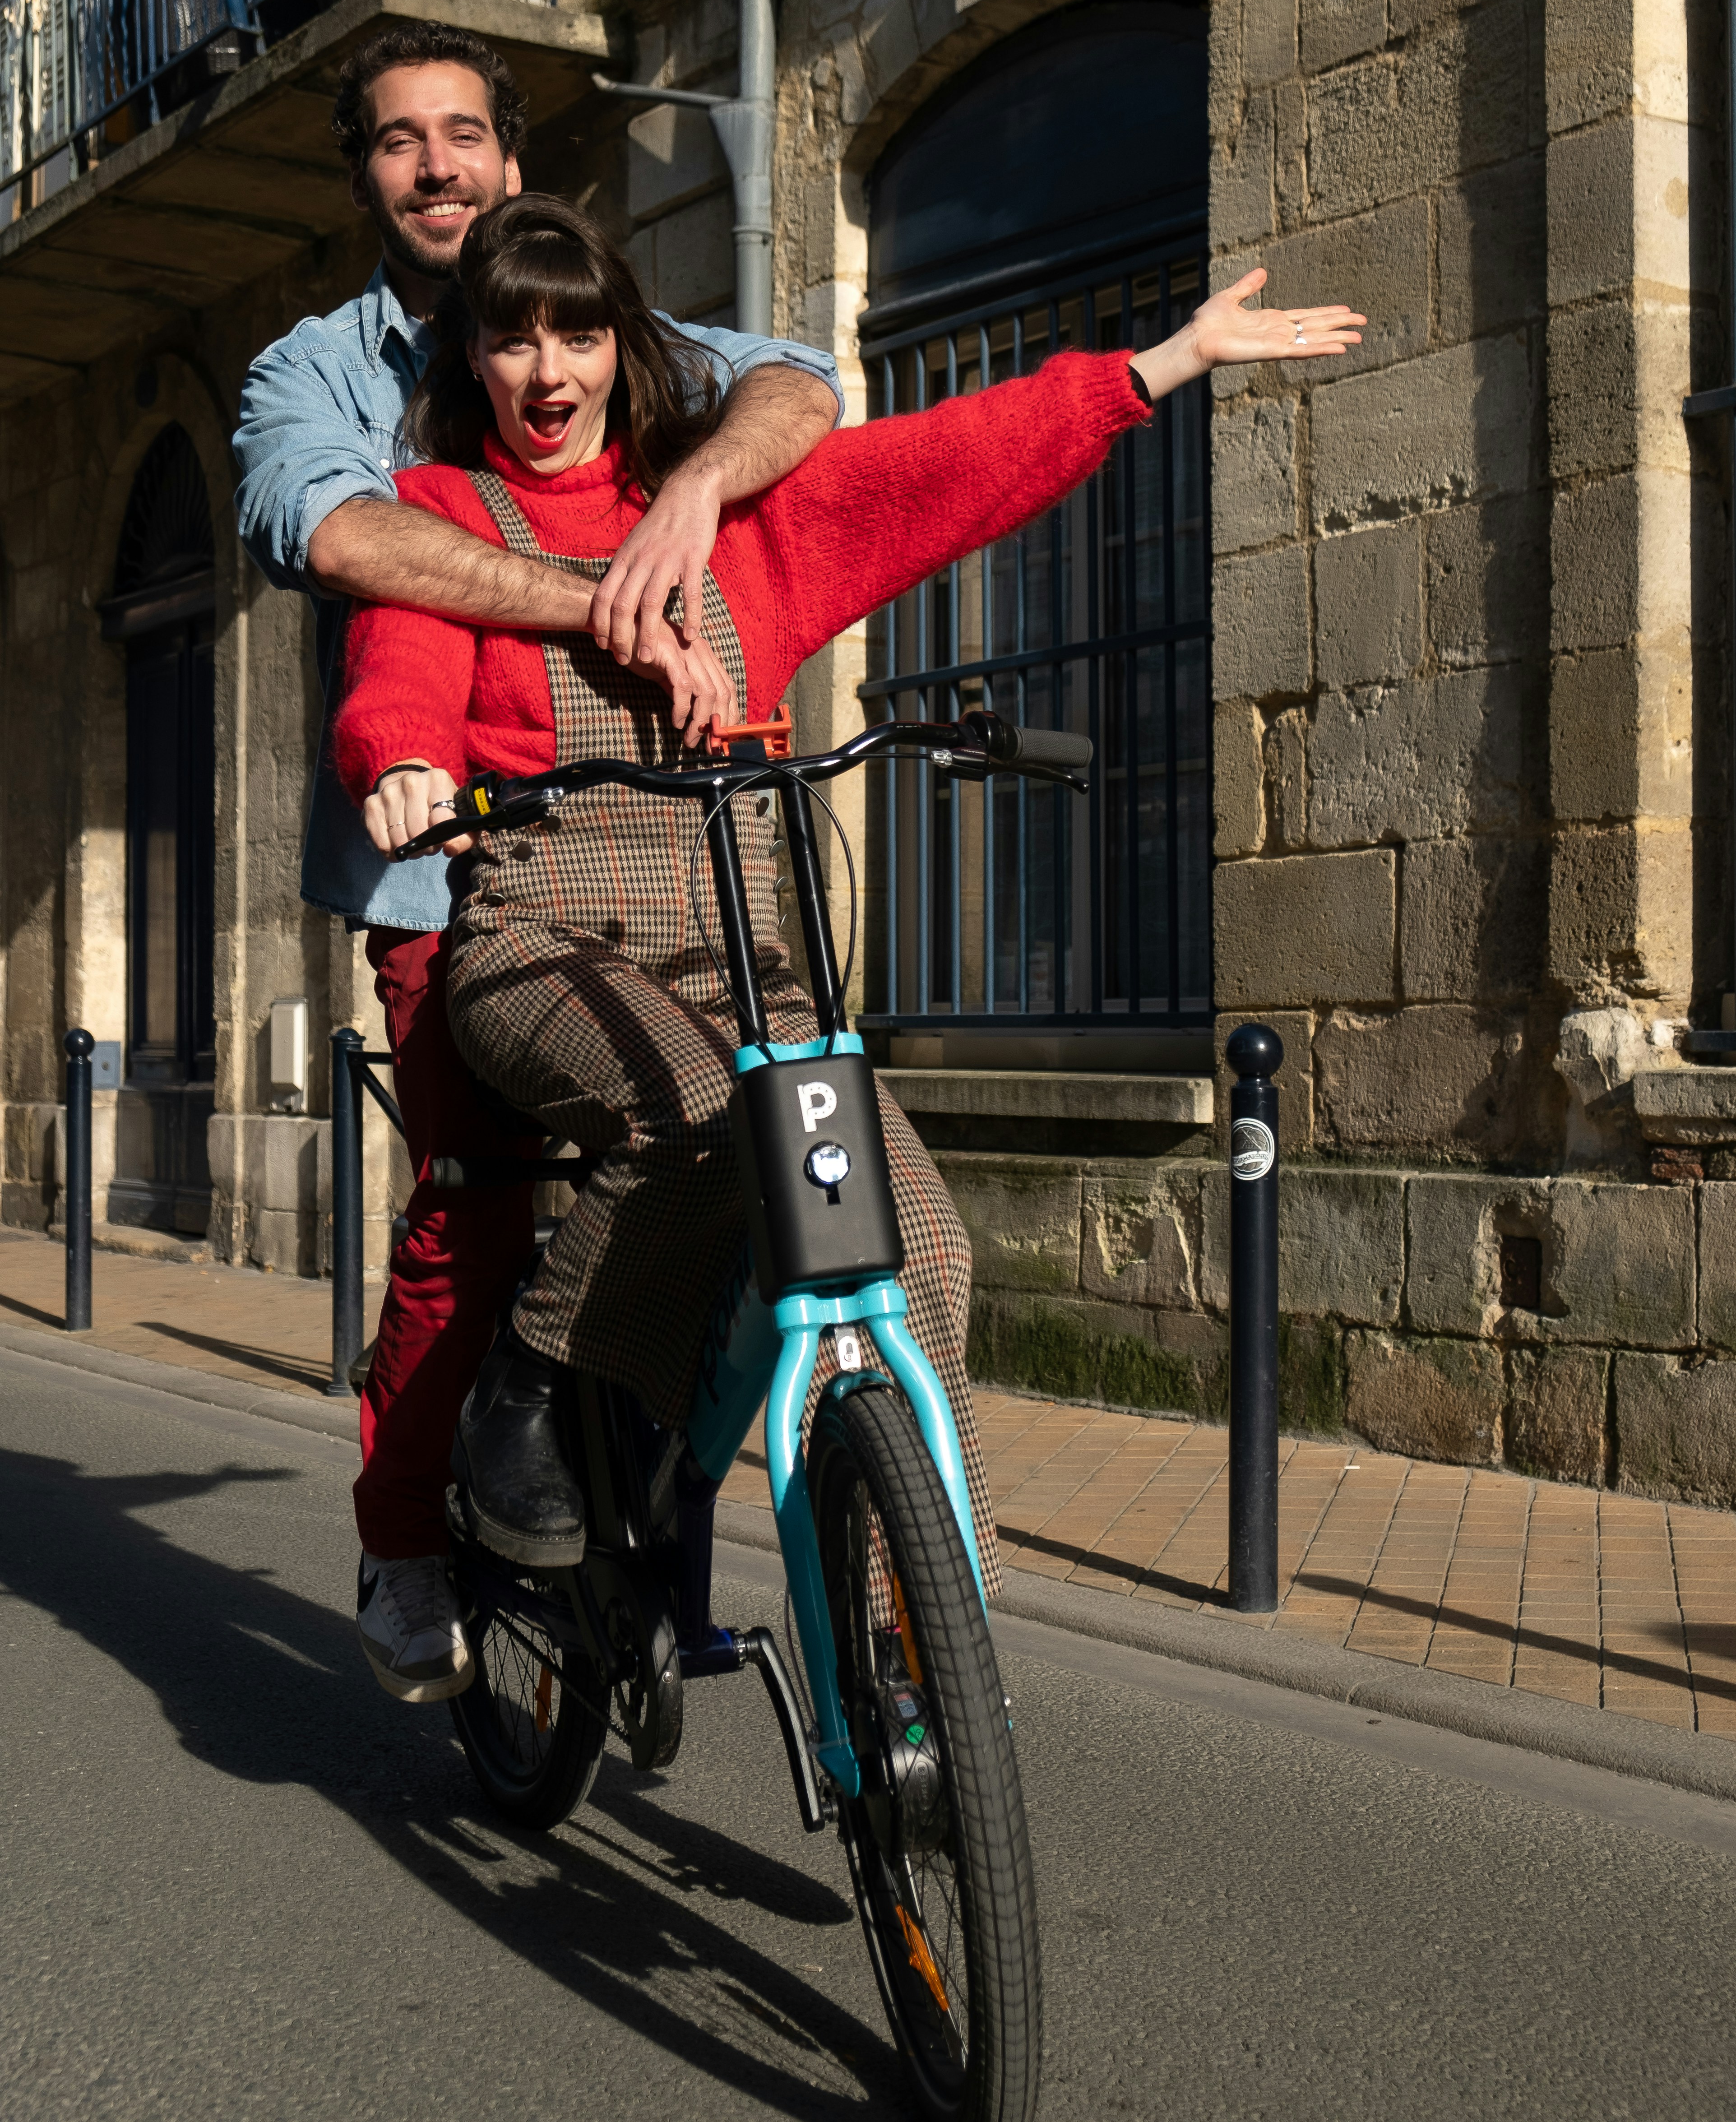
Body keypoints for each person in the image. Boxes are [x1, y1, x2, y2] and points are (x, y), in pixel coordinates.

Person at [331, 193, 1365, 1598]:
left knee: (920, 1243)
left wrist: (1159, 368)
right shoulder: (448, 512)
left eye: (577, 331)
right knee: (706, 1122)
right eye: (512, 341)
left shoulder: (732, 526)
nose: (549, 370)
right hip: (542, 939)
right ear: (475, 368)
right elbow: (401, 655)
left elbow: (948, 461)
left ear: (624, 347)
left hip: (741, 958)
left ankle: (918, 1642)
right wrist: (399, 762)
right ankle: (534, 1366)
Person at [232, 24, 845, 1704]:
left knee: (748, 1168)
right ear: (364, 176)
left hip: (647, 865)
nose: (435, 165)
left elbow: (802, 382)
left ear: (508, 157)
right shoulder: (319, 371)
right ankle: (409, 1526)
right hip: (448, 873)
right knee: (479, 1214)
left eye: (463, 134)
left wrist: (689, 497)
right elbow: (342, 531)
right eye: (396, 142)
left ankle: (657, 1503)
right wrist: (601, 598)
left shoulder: (580, 314)